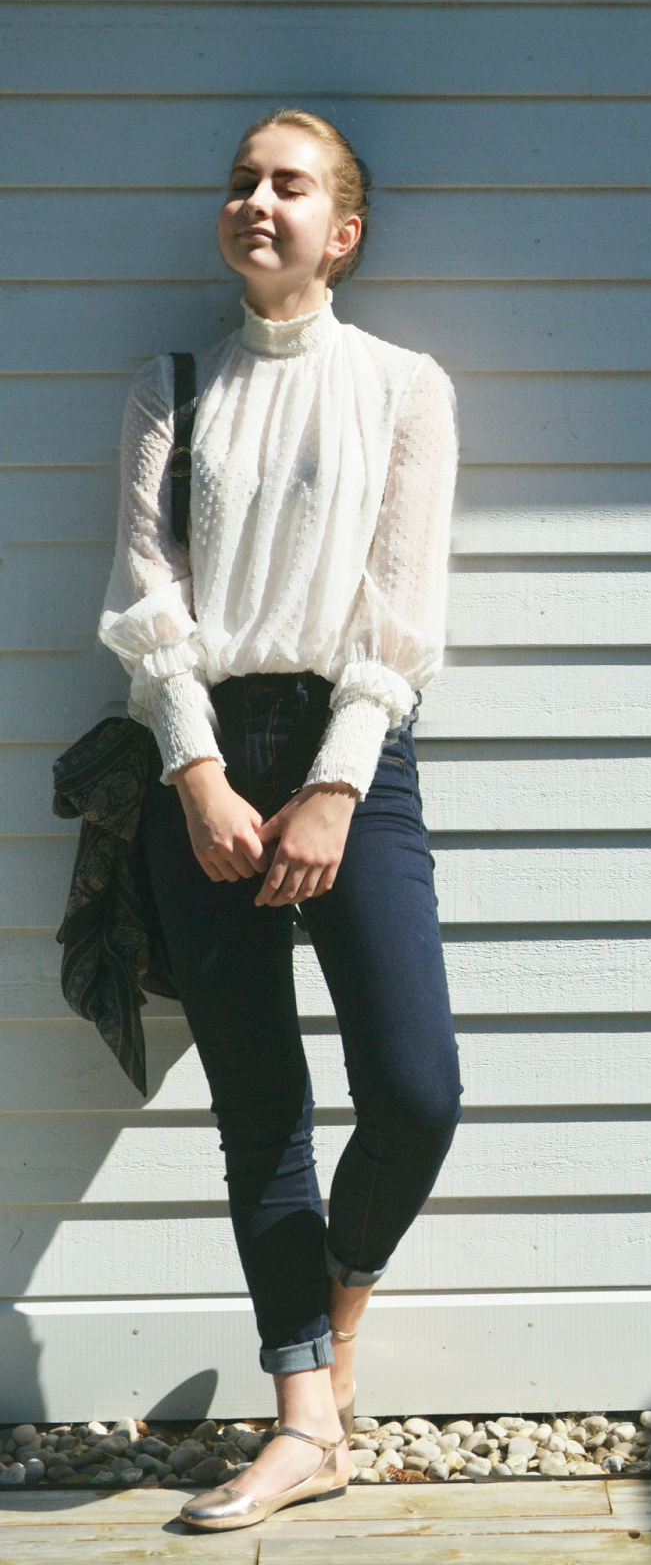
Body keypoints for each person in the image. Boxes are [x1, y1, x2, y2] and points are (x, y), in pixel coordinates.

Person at [97, 108, 463, 1531]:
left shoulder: (405, 388)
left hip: (351, 750)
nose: (258, 199)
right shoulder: (171, 387)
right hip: (200, 755)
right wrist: (197, 774)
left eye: (290, 185)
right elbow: (148, 603)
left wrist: (332, 784)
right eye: (243, 180)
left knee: (416, 1090)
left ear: (342, 231)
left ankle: (337, 1321)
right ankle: (307, 1419)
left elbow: (402, 613)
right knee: (262, 1106)